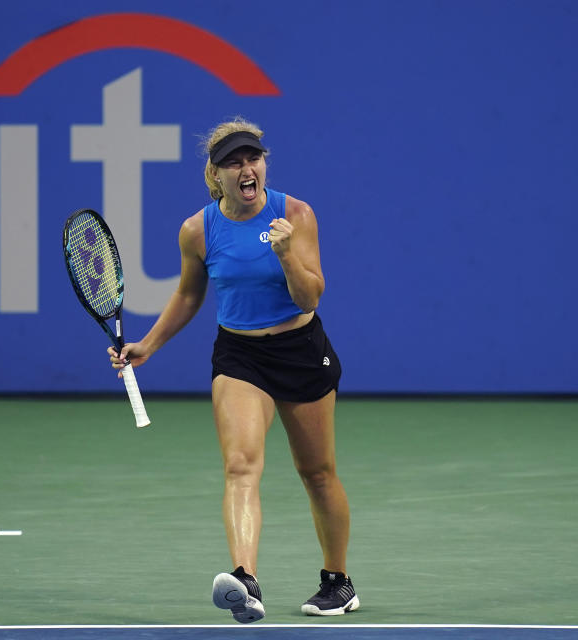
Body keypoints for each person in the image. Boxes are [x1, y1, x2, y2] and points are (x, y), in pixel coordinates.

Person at [108, 117, 359, 623]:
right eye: (233, 163)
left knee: (317, 473)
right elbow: (188, 294)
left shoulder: (297, 214)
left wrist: (287, 253)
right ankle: (246, 581)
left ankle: (338, 582)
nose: (247, 169)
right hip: (240, 357)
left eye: (253, 158)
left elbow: (310, 295)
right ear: (215, 175)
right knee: (241, 465)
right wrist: (149, 345)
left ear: (264, 164)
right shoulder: (198, 230)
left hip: (300, 350)